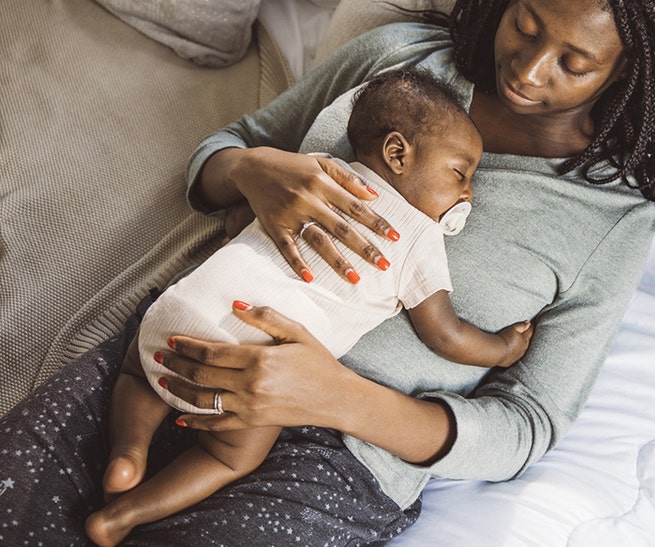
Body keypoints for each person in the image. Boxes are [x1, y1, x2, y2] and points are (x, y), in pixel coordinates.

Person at [0, 0, 655, 544]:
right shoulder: (400, 63)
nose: (528, 68)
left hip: (345, 456)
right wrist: (252, 171)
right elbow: (226, 150)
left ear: (623, 70)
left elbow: (531, 423)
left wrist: (335, 397)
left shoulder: (608, 217)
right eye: (525, 26)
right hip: (199, 334)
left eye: (573, 63)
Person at [85, 69, 534, 545]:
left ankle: (128, 452)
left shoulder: (316, 170)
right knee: (228, 455)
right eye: (460, 173)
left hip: (181, 311)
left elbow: (241, 216)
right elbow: (445, 334)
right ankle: (125, 514)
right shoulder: (420, 239)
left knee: (137, 372)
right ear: (398, 153)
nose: (469, 193)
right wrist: (503, 349)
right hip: (252, 363)